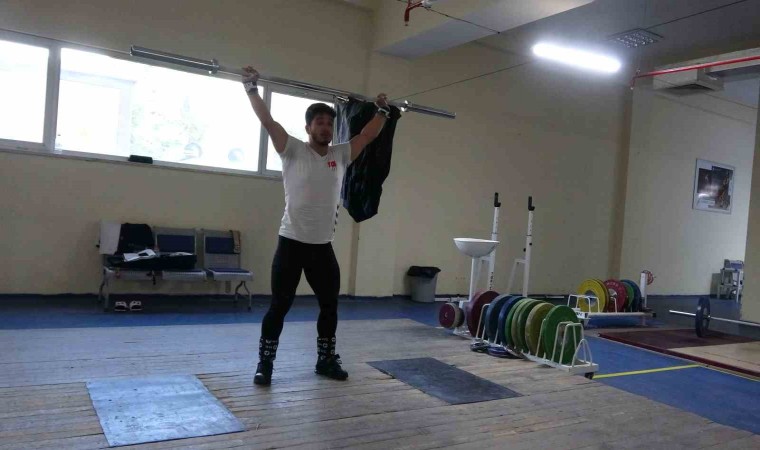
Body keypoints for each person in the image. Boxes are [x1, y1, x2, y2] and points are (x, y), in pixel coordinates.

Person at [241, 66, 390, 385]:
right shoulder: (292, 149)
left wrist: (381, 111)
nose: (325, 127)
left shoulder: (341, 154)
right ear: (308, 127)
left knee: (329, 306)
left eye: (329, 123)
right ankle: (265, 364)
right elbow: (267, 121)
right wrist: (251, 88)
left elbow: (367, 135)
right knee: (279, 306)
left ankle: (325, 360)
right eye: (319, 122)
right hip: (291, 243)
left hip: (322, 248)